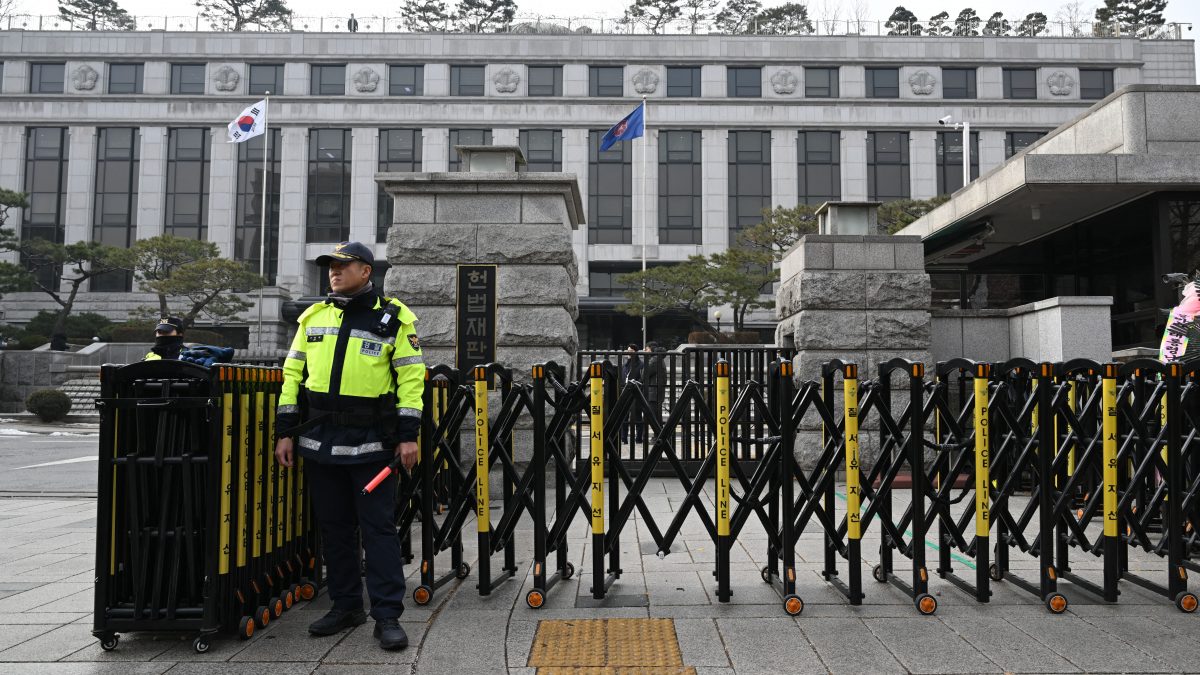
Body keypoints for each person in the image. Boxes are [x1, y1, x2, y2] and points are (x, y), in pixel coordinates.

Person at [273, 241, 422, 651]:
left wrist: (409, 436)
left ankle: (387, 615)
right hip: (319, 441)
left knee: (378, 530)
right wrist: (284, 430)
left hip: (372, 444)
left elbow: (411, 381)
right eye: (330, 267)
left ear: (366, 272)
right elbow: (291, 375)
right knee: (334, 529)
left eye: (343, 266)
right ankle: (345, 605)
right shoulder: (313, 317)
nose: (334, 273)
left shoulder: (394, 319)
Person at [620, 343, 643, 443]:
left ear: (636, 352)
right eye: (627, 351)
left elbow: (642, 378)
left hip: (636, 392)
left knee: (637, 416)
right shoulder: (625, 364)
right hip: (625, 392)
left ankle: (638, 438)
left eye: (631, 351)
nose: (628, 353)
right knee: (624, 416)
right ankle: (624, 438)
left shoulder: (641, 364)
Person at [642, 342, 667, 424]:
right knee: (656, 417)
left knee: (651, 417)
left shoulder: (654, 359)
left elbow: (644, 374)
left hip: (653, 393)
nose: (644, 351)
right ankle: (659, 435)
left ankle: (659, 435)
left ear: (651, 349)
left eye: (646, 349)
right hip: (656, 392)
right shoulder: (659, 359)